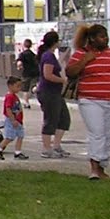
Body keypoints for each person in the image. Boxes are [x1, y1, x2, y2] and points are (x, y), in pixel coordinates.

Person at [66, 22, 110, 181]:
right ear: (92, 39)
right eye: (101, 36)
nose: (105, 39)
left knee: (109, 134)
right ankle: (94, 167)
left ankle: (101, 166)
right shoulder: (82, 53)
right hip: (90, 99)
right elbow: (70, 72)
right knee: (97, 132)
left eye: (106, 36)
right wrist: (85, 60)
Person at [35, 30, 68, 158]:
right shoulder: (47, 56)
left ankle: (56, 145)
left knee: (64, 119)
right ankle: (46, 148)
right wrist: (62, 80)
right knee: (51, 119)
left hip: (56, 92)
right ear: (55, 42)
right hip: (48, 92)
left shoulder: (51, 56)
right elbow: (47, 75)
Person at [0, 75, 28, 159]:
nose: (19, 88)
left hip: (18, 120)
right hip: (11, 120)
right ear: (10, 86)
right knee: (10, 137)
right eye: (17, 86)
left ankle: (18, 152)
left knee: (20, 135)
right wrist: (13, 120)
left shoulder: (14, 96)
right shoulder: (9, 97)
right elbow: (8, 109)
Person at [16, 39, 40, 108]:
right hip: (35, 73)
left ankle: (26, 103)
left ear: (24, 45)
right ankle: (35, 90)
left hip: (26, 73)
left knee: (25, 89)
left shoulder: (22, 54)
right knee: (33, 86)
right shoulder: (33, 55)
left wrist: (19, 67)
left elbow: (19, 63)